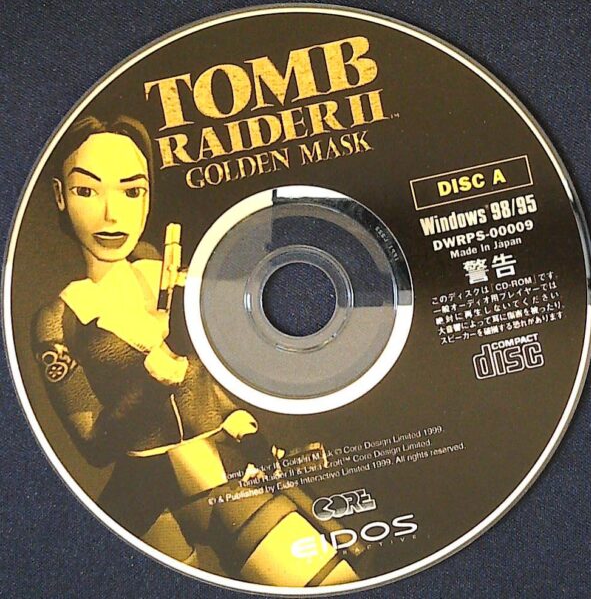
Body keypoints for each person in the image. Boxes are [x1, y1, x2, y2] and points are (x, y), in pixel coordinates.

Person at [33, 114, 362, 587]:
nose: (111, 215)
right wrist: (150, 384)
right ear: (60, 195)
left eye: (131, 191)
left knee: (332, 584)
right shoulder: (57, 319)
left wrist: (261, 442)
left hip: (221, 470)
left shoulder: (164, 267)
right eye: (88, 190)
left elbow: (209, 377)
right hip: (144, 506)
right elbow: (95, 447)